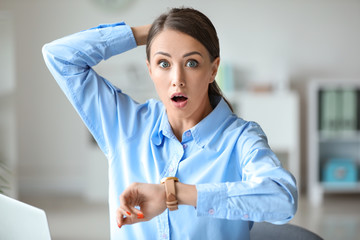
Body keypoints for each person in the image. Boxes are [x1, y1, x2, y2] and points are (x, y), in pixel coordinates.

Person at [43, 7, 297, 240]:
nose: (177, 79)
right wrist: (154, 32)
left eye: (192, 63)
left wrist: (172, 195)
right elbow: (60, 56)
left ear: (213, 70)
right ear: (150, 69)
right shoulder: (125, 125)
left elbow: (282, 200)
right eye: (163, 63)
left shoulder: (240, 138)